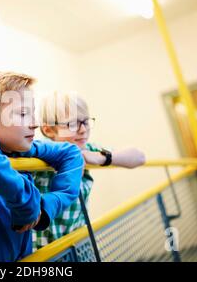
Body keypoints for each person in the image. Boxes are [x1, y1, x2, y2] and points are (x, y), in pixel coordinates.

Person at [0, 72, 85, 261]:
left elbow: (71, 153)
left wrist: (45, 207)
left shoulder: (18, 148)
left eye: (32, 113)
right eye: (22, 114)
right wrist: (27, 205)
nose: (34, 123)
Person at [33, 91, 146, 250]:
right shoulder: (40, 153)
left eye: (86, 122)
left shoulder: (87, 149)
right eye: (72, 124)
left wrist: (102, 157)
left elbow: (139, 157)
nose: (83, 130)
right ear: (49, 130)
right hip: (45, 252)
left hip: (80, 245)